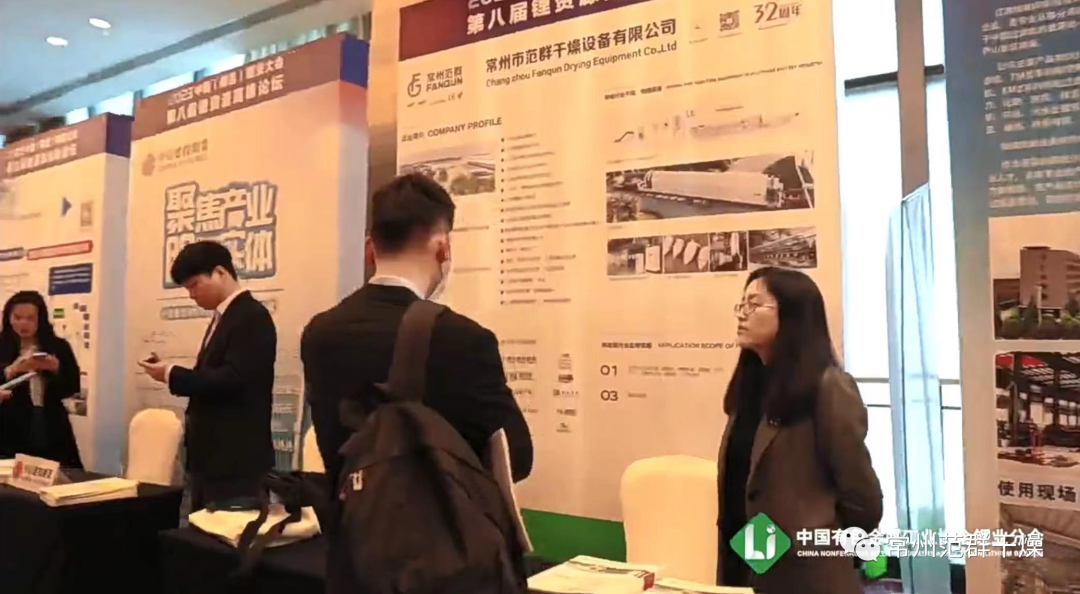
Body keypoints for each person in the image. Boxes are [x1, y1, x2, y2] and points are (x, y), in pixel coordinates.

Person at [301, 174, 533, 585]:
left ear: (371, 249)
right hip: (443, 566)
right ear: (443, 247)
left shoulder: (319, 332)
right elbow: (517, 456)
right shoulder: (463, 338)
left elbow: (334, 447)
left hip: (354, 557)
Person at [717, 267, 882, 593]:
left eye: (755, 304)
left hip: (809, 576)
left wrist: (815, 535)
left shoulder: (828, 387)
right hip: (747, 563)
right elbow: (745, 486)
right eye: (742, 304)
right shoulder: (752, 387)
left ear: (792, 315)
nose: (742, 314)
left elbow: (862, 499)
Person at [139, 241, 276, 511]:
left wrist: (171, 374)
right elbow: (213, 377)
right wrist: (170, 373)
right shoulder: (224, 316)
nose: (192, 295)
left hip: (235, 460)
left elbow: (233, 380)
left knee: (228, 533)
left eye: (195, 285)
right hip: (210, 459)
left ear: (220, 272)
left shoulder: (251, 316)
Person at [0, 291, 82, 468]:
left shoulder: (57, 346)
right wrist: (12, 370)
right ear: (8, 318)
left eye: (30, 318)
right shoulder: (2, 345)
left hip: (50, 420)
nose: (24, 323)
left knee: (59, 473)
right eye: (18, 317)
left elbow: (72, 387)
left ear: (41, 319)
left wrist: (56, 369)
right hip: (9, 424)